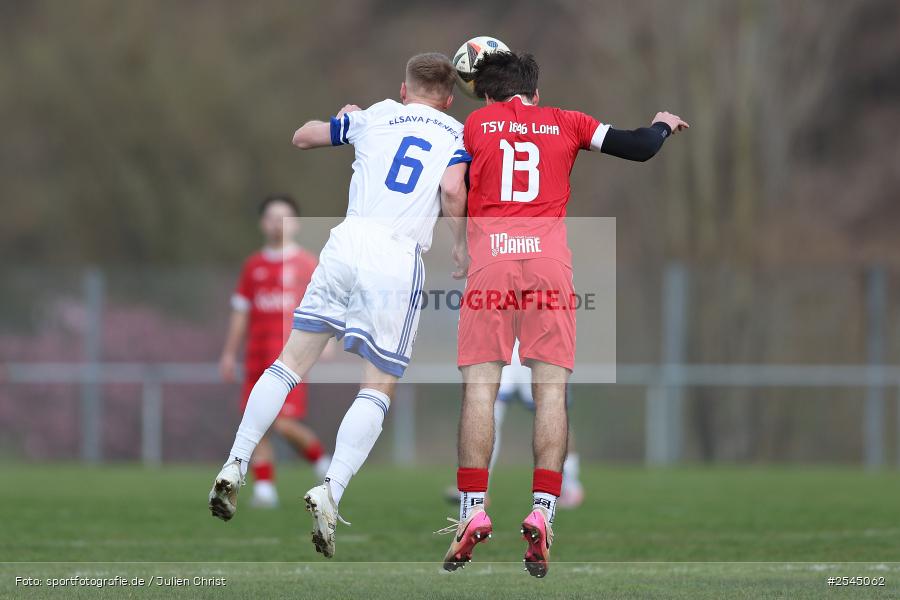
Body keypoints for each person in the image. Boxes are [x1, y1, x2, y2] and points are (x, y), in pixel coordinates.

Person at [209, 53, 470, 560]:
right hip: (396, 254)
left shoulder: (375, 115)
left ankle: (235, 463)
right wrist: (459, 242)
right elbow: (452, 189)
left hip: (345, 242)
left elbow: (303, 136)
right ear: (449, 96)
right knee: (378, 385)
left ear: (403, 88)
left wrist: (347, 120)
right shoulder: (458, 133)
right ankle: (330, 491)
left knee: (288, 363)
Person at [442, 50, 688, 577]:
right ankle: (543, 511)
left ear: (486, 94)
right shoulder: (567, 121)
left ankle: (472, 511)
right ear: (535, 92)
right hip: (550, 269)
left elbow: (449, 189)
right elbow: (639, 147)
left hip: (490, 265)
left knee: (481, 389)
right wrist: (662, 126)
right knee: (550, 392)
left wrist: (458, 248)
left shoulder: (475, 125)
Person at [219, 194, 331, 508]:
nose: (277, 224)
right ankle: (265, 489)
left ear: (296, 223)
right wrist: (229, 353)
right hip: (257, 356)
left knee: (279, 421)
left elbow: (325, 306)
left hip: (292, 358)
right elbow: (240, 312)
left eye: (284, 217)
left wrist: (329, 341)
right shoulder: (252, 266)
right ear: (262, 223)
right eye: (271, 217)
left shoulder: (308, 263)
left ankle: (321, 460)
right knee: (257, 422)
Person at [443, 339, 585, 508]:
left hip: (539, 337)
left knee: (553, 411)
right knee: (489, 408)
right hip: (501, 338)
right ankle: (477, 488)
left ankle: (570, 483)